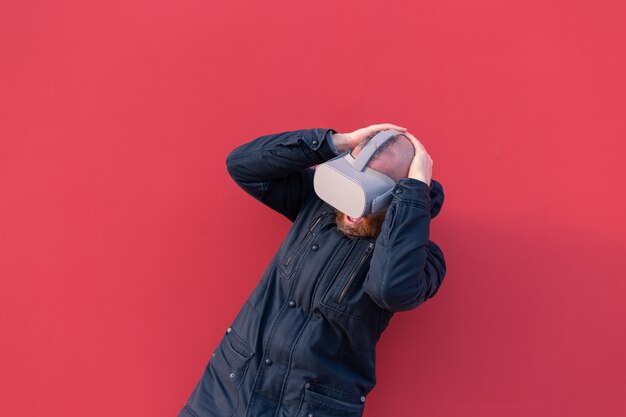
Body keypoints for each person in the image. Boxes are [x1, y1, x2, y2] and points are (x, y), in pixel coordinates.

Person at [178, 123, 446, 417]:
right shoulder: (317, 206)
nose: (353, 210)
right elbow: (243, 166)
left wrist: (417, 187)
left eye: (371, 193)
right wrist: (337, 143)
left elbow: (391, 289)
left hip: (307, 408)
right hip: (228, 394)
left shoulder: (423, 258)